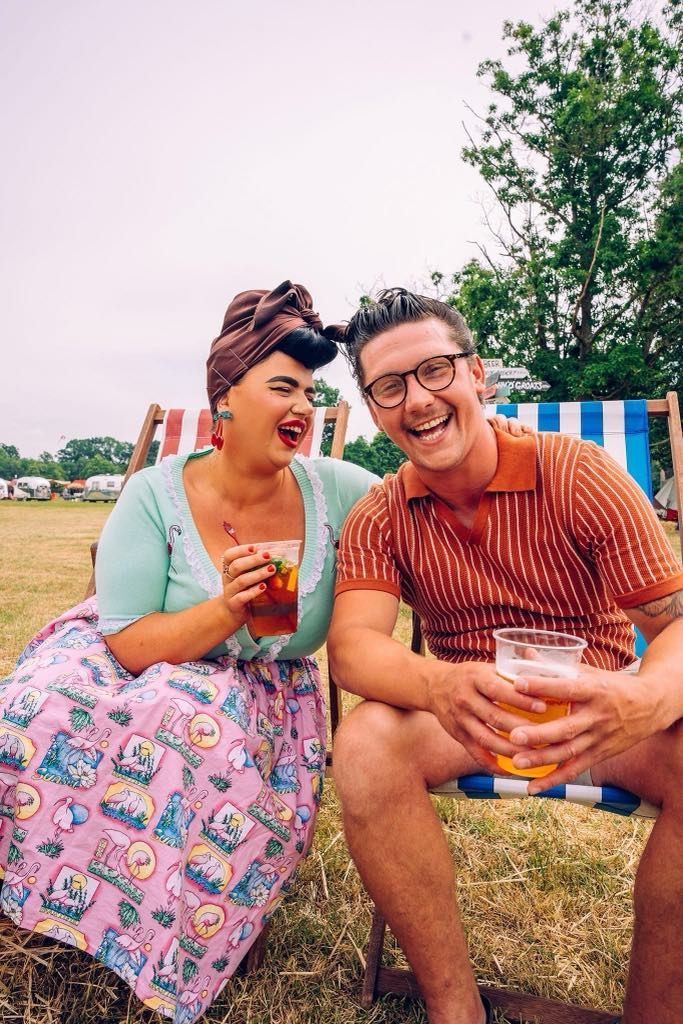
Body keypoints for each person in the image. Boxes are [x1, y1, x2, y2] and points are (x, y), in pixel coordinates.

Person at [0, 280, 527, 1022]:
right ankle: (42, 896)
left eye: (311, 394)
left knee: (186, 718)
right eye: (283, 388)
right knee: (32, 710)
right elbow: (123, 639)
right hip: (132, 656)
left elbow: (426, 525)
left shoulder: (341, 489)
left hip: (258, 688)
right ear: (224, 400)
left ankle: (166, 931)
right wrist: (223, 608)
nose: (303, 409)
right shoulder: (153, 495)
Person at [326, 288, 683, 1024]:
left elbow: (675, 623)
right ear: (372, 409)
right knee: (363, 742)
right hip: (469, 718)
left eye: (433, 371)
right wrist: (437, 683)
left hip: (599, 712)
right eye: (389, 387)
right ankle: (455, 1011)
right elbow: (353, 648)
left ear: (477, 373)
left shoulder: (578, 474)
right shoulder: (380, 512)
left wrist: (642, 699)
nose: (417, 401)